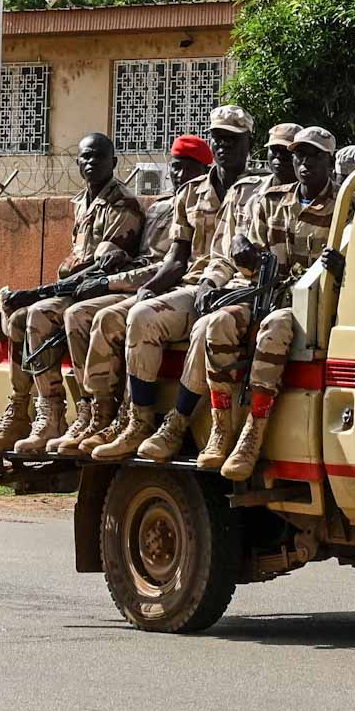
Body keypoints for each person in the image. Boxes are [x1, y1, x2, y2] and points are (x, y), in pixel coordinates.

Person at [0, 133, 143, 469]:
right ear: (78, 163)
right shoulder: (81, 202)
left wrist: (38, 293)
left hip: (90, 293)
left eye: (99, 156)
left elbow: (100, 270)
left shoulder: (123, 204)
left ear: (114, 161)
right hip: (62, 289)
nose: (91, 162)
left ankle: (46, 412)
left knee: (29, 316)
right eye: (85, 157)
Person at [87, 106, 269, 462]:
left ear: (250, 142)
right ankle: (137, 420)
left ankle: (178, 422)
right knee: (141, 316)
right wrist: (152, 287)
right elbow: (176, 257)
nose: (224, 146)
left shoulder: (261, 191)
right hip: (193, 287)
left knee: (205, 329)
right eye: (218, 138)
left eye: (233, 139)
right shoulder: (191, 192)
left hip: (238, 289)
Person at [169, 126, 342, 479]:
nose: (304, 163)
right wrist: (244, 253)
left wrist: (342, 268)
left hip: (310, 309)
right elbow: (247, 261)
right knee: (218, 322)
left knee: (274, 329)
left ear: (330, 161)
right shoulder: (271, 201)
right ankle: (221, 428)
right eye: (300, 156)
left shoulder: (345, 208)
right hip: (262, 294)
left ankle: (253, 431)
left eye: (314, 156)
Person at [47, 135, 212, 455]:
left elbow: (171, 266)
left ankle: (130, 416)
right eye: (175, 168)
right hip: (142, 282)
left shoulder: (210, 205)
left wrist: (113, 283)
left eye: (188, 169)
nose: (180, 175)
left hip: (173, 287)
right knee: (77, 314)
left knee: (110, 317)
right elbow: (141, 258)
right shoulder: (161, 207)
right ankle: (95, 411)